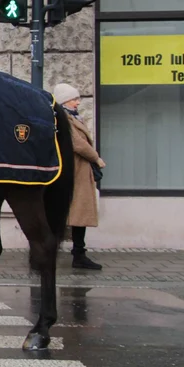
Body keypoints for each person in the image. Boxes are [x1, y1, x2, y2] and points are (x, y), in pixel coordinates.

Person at [53, 82, 104, 270]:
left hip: (79, 170)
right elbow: (78, 144)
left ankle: (79, 253)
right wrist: (96, 158)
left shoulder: (73, 118)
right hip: (76, 170)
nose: (78, 102)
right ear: (65, 101)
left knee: (79, 213)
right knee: (78, 212)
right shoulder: (66, 119)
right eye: (74, 99)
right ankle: (78, 254)